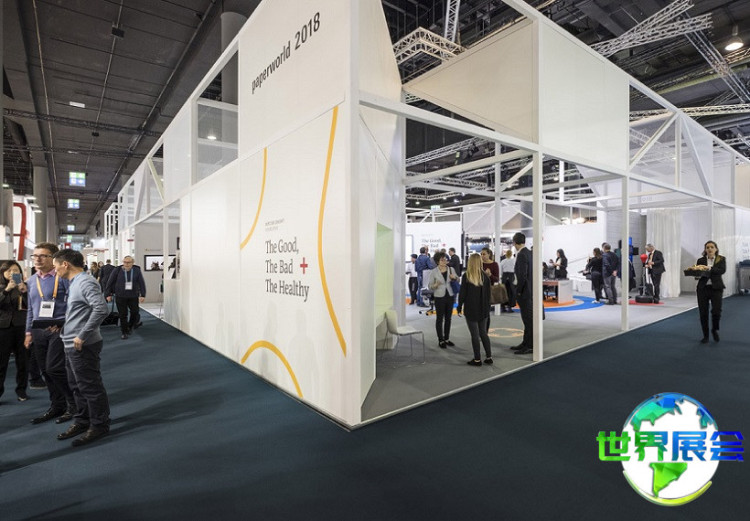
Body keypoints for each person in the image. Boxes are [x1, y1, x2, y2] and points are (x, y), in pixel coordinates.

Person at [52, 249, 111, 446]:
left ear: (65, 264)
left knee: (89, 386)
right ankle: (83, 420)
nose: (55, 270)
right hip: (71, 342)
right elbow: (79, 311)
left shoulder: (85, 281)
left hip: (83, 344)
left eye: (56, 266)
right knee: (76, 386)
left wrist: (82, 334)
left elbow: (101, 309)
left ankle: (99, 424)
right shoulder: (75, 282)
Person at [25, 242, 76, 424]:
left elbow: (74, 304)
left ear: (53, 258)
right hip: (39, 330)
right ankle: (57, 405)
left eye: (43, 256)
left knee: (55, 368)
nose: (37, 259)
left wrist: (64, 323)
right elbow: (31, 308)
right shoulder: (32, 280)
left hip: (58, 329)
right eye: (35, 255)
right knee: (46, 371)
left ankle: (73, 404)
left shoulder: (63, 277)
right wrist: (28, 332)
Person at [0, 261, 29, 403]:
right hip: (3, 328)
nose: (12, 273)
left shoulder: (25, 286)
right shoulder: (1, 287)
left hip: (21, 327)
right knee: (1, 362)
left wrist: (24, 291)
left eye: (15, 270)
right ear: (3, 273)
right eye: (9, 270)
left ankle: (21, 390)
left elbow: (31, 304)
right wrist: (7, 290)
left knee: (22, 361)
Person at [457, 253, 493, 366]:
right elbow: (488, 295)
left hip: (471, 309)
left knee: (475, 335)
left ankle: (477, 359)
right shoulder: (485, 277)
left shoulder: (467, 276)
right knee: (483, 333)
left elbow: (462, 294)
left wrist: (459, 306)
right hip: (484, 309)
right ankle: (489, 357)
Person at [104, 256, 147, 339]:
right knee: (123, 314)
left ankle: (130, 326)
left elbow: (141, 283)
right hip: (120, 295)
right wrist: (107, 294)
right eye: (124, 262)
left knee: (135, 312)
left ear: (132, 263)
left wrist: (143, 294)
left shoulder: (136, 270)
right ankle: (124, 332)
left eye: (128, 262)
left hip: (133, 295)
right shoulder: (117, 270)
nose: (126, 264)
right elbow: (110, 282)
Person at [695, 240, 725, 344]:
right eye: (707, 247)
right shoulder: (700, 260)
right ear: (705, 250)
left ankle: (714, 329)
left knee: (716, 311)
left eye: (712, 247)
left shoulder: (721, 259)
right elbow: (697, 274)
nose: (710, 249)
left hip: (716, 288)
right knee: (703, 313)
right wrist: (696, 272)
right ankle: (705, 336)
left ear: (716, 249)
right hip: (702, 289)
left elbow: (722, 270)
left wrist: (709, 268)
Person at [427, 252, 458, 349]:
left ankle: (447, 338)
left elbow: (458, 279)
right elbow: (429, 286)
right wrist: (435, 285)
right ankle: (440, 339)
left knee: (448, 318)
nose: (445, 261)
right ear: (437, 261)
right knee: (439, 319)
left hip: (450, 295)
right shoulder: (434, 272)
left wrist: (455, 278)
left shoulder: (451, 269)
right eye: (442, 259)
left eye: (445, 259)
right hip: (439, 297)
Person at [512, 233, 534, 355]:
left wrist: (518, 291)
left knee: (528, 320)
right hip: (529, 291)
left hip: (525, 293)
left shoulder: (521, 255)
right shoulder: (529, 253)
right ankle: (525, 343)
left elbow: (522, 276)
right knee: (527, 320)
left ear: (514, 242)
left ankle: (529, 345)